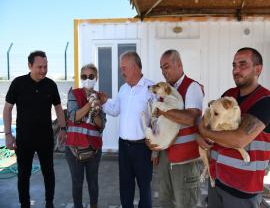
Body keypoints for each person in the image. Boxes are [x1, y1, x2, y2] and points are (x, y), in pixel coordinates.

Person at [198, 47, 270, 208]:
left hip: (243, 191)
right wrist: (200, 136)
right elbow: (207, 120)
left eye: (242, 64)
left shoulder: (265, 100)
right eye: (234, 65)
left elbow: (239, 139)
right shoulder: (229, 95)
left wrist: (204, 131)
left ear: (258, 69)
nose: (236, 70)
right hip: (217, 180)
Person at [3, 51, 67, 208]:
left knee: (48, 173)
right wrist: (8, 134)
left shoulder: (50, 85)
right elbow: (7, 109)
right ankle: (24, 204)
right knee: (24, 175)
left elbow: (58, 108)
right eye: (40, 67)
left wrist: (63, 128)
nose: (43, 70)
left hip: (45, 138)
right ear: (30, 66)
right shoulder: (18, 83)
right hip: (24, 139)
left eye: (46, 66)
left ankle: (49, 202)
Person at [150, 49, 205, 208]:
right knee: (165, 201)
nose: (163, 71)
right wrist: (154, 149)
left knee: (185, 203)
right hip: (165, 156)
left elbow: (190, 118)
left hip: (186, 160)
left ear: (179, 65)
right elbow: (157, 122)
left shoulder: (192, 87)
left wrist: (163, 111)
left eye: (166, 66)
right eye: (161, 68)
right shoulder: (165, 91)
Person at [101, 51, 156, 208]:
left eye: (124, 68)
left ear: (135, 67)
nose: (121, 71)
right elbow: (116, 109)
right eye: (121, 68)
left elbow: (157, 120)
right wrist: (104, 102)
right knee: (125, 187)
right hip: (124, 146)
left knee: (144, 187)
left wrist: (156, 149)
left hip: (143, 147)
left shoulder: (151, 88)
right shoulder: (123, 89)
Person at [65, 63, 106, 208]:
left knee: (93, 182)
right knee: (77, 183)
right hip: (74, 150)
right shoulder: (74, 94)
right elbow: (73, 116)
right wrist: (90, 103)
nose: (87, 79)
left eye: (91, 76)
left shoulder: (101, 97)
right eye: (84, 76)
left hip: (94, 150)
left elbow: (102, 125)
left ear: (96, 77)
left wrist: (96, 112)